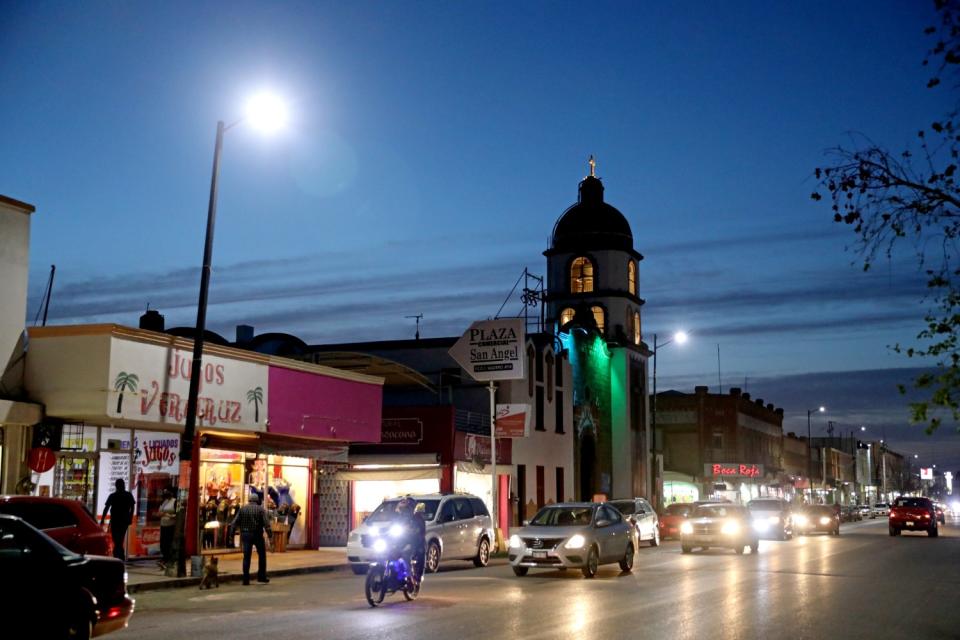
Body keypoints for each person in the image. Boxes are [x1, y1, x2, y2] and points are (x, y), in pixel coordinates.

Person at [230, 493, 272, 585]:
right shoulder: (261, 509)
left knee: (246, 557)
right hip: (257, 535)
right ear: (257, 501)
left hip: (245, 535)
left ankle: (246, 579)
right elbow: (267, 524)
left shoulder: (242, 509)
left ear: (249, 500)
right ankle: (261, 576)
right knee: (262, 556)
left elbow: (234, 523)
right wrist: (270, 535)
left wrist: (231, 535)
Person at [101, 479, 136, 561]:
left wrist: (103, 519)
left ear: (116, 486)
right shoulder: (127, 495)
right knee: (119, 539)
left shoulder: (113, 496)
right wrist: (130, 517)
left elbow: (106, 508)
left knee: (117, 539)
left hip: (117, 520)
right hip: (123, 520)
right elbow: (132, 507)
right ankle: (119, 555)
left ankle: (117, 555)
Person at [395, 496, 426, 588]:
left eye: (407, 509)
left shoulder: (417, 518)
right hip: (401, 541)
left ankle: (413, 577)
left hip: (415, 542)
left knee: (410, 553)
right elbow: (390, 527)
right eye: (402, 509)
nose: (404, 511)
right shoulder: (398, 518)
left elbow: (420, 530)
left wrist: (413, 531)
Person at [157, 488, 177, 568]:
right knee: (163, 543)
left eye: (167, 492)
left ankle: (168, 559)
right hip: (163, 525)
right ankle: (164, 558)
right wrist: (160, 514)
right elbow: (160, 511)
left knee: (168, 542)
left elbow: (177, 514)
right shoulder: (164, 501)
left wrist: (168, 515)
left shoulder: (174, 501)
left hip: (170, 525)